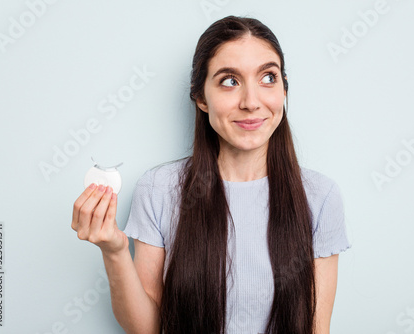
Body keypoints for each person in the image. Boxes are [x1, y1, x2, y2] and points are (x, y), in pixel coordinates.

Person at [71, 15, 351, 334]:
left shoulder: (320, 197)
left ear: (284, 89)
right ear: (202, 98)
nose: (251, 102)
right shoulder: (159, 189)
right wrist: (114, 250)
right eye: (230, 81)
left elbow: (317, 328)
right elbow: (146, 329)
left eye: (268, 78)